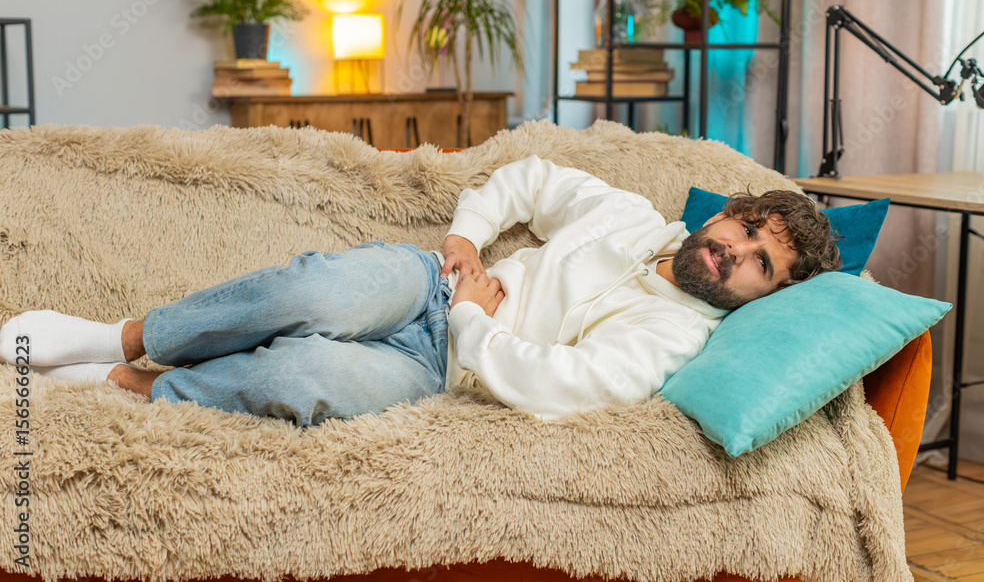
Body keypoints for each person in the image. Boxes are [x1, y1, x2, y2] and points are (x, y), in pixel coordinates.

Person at [0, 156, 841, 425]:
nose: (734, 252)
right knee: (317, 289)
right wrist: (467, 238)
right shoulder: (629, 215)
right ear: (724, 212)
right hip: (427, 284)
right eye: (744, 228)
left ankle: (129, 383)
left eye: (761, 263)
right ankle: (120, 335)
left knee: (300, 376)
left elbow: (568, 385)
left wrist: (475, 326)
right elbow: (530, 178)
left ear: (768, 295)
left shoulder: (677, 335)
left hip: (446, 369)